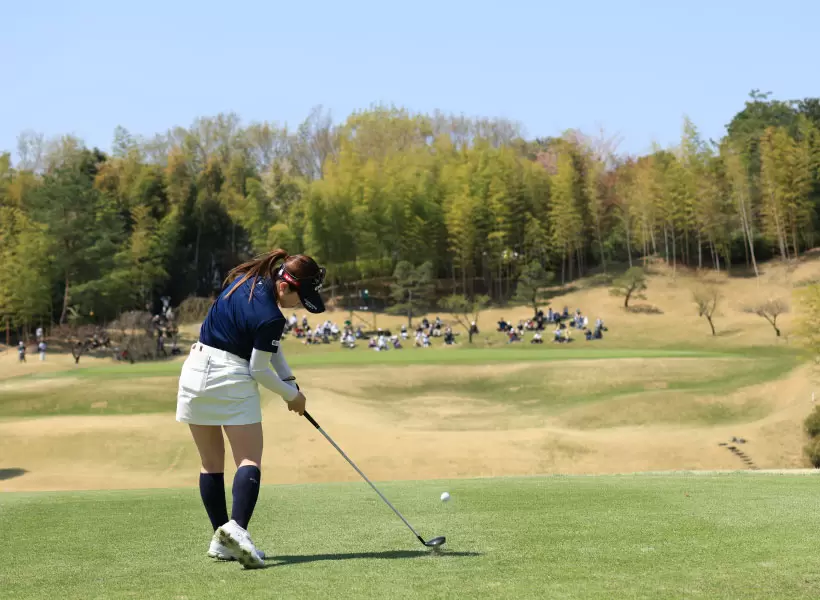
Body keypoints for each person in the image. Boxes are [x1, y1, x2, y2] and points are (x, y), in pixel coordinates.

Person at [176, 249, 325, 569]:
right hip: (230, 376)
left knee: (210, 463)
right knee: (248, 458)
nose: (300, 303)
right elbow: (259, 369)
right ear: (286, 286)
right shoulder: (272, 316)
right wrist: (291, 397)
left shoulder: (249, 281)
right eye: (302, 296)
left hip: (193, 373)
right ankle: (238, 530)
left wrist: (289, 380)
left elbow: (269, 347)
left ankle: (221, 540)